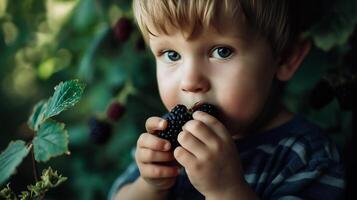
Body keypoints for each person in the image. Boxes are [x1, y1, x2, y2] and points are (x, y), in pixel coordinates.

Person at [108, 0, 345, 199]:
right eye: (172, 55)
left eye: (222, 51)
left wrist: (227, 190)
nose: (190, 81)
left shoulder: (308, 158)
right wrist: (151, 185)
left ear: (285, 58)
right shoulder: (168, 142)